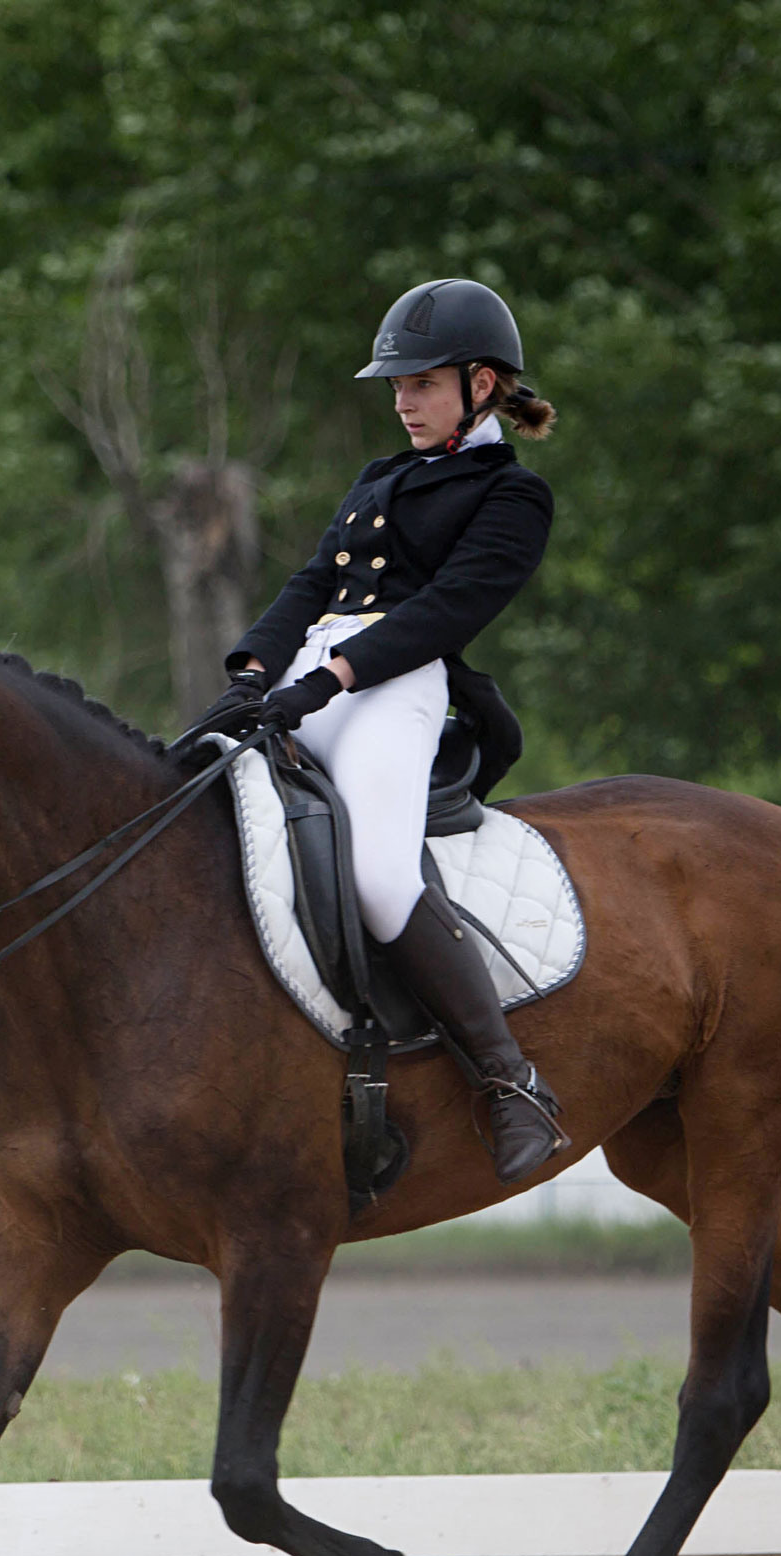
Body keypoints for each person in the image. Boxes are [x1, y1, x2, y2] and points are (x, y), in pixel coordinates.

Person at [195, 277, 564, 1181]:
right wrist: (252, 673)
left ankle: (513, 1085)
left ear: (481, 384)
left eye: (422, 384)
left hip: (394, 689)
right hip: (303, 678)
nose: (402, 402)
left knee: (378, 875)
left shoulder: (511, 496)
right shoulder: (380, 478)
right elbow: (311, 583)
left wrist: (326, 682)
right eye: (396, 387)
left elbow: (442, 613)